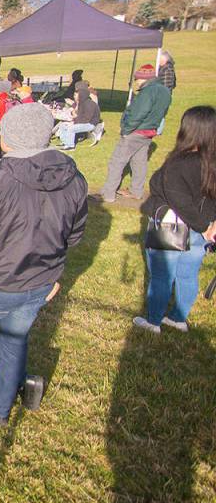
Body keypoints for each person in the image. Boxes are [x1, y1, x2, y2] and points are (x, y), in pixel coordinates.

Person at [0, 103, 88, 427]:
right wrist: (55, 272)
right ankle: (3, 400)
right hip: (40, 280)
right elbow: (75, 234)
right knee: (14, 337)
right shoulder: (75, 178)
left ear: (6, 140)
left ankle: (11, 385)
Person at [134, 106, 216, 334]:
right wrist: (210, 226)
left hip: (173, 225)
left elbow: (180, 201)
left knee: (162, 275)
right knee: (188, 273)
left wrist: (205, 226)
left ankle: (154, 321)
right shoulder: (210, 162)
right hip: (204, 231)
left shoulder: (179, 164)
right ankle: (178, 318)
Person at [101, 64, 173, 202]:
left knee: (117, 161)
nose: (137, 82)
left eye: (138, 79)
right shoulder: (165, 92)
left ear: (144, 78)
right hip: (149, 131)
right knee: (139, 162)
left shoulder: (147, 92)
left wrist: (126, 129)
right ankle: (136, 191)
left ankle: (108, 194)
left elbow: (138, 113)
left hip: (136, 131)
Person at [56, 82, 102, 150]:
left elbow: (86, 119)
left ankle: (70, 146)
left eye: (75, 95)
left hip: (90, 124)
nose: (74, 96)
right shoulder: (79, 102)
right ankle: (65, 142)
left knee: (71, 128)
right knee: (62, 125)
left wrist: (74, 121)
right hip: (81, 121)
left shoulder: (89, 104)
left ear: (81, 95)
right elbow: (74, 112)